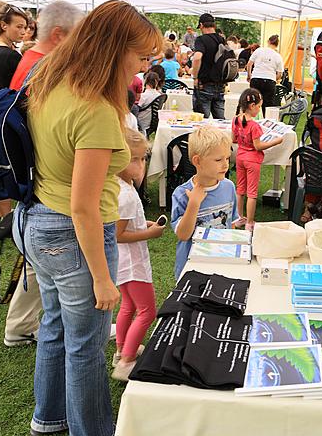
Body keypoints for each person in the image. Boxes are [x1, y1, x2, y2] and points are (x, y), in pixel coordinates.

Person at [14, 0, 163, 436]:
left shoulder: (48, 81)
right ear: (115, 50)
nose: (143, 67)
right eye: (140, 57)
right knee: (85, 343)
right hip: (73, 232)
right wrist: (102, 276)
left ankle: (50, 415)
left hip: (36, 220)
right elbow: (83, 206)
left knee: (57, 327)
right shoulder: (96, 108)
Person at [3, 0, 83, 349]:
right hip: (45, 189)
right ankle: (20, 325)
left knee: (39, 266)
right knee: (43, 267)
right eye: (77, 37)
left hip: (35, 185)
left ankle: (21, 324)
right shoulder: (43, 69)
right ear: (59, 34)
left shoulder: (30, 63)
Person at [112, 129, 165, 381]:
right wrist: (149, 234)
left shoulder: (122, 187)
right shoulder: (126, 196)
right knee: (147, 311)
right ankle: (126, 360)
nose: (141, 165)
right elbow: (118, 234)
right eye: (135, 159)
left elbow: (125, 227)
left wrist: (143, 225)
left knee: (129, 305)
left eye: (143, 158)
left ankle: (122, 348)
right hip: (133, 264)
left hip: (123, 264)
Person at [171, 125, 238, 279]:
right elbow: (183, 235)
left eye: (227, 158)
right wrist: (194, 204)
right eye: (218, 159)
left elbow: (231, 225)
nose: (225, 164)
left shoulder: (229, 187)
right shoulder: (182, 194)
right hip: (192, 268)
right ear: (198, 161)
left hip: (221, 262)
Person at [231, 89, 283, 231]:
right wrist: (276, 141)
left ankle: (239, 217)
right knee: (252, 193)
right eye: (259, 106)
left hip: (240, 157)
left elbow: (234, 139)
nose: (259, 109)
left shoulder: (236, 119)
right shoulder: (254, 125)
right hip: (252, 160)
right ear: (252, 105)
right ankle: (250, 222)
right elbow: (258, 145)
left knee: (240, 190)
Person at [10, 0, 83, 90]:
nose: (77, 42)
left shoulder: (32, 57)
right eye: (75, 35)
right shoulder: (45, 69)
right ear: (58, 35)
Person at [0, 4, 28, 94]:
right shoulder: (11, 56)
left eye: (25, 27)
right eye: (19, 27)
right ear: (4, 25)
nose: (23, 32)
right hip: (11, 106)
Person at [191, 13, 226, 119]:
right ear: (213, 25)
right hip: (220, 84)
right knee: (220, 121)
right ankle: (221, 136)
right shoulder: (221, 39)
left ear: (201, 25)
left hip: (204, 85)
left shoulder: (201, 40)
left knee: (201, 120)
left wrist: (195, 77)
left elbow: (197, 57)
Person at [247, 35, 284, 115]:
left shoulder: (259, 51)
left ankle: (251, 120)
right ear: (277, 44)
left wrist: (250, 75)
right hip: (269, 81)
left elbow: (249, 64)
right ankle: (266, 121)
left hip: (256, 78)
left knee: (253, 102)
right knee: (267, 105)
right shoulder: (278, 56)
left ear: (268, 41)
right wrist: (274, 78)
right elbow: (280, 74)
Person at [137, 71, 164, 136]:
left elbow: (137, 107)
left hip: (143, 122)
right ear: (157, 82)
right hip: (154, 121)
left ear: (145, 81)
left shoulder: (144, 96)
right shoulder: (159, 95)